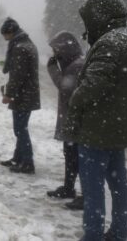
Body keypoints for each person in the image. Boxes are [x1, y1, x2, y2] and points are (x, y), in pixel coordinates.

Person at [63, 0, 127, 241]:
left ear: (99, 16)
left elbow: (92, 86)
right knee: (119, 184)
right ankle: (119, 233)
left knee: (93, 187)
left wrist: (75, 99)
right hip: (117, 128)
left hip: (97, 130)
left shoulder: (110, 42)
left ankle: (93, 235)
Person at [45, 31, 84, 210]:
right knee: (70, 156)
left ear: (65, 50)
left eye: (56, 51)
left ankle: (85, 195)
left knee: (78, 158)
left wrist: (52, 69)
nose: (54, 55)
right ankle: (69, 188)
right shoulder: (72, 64)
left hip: (75, 122)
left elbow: (65, 88)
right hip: (70, 120)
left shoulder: (76, 66)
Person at [0, 18, 40, 174]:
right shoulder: (27, 44)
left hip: (23, 94)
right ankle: (18, 158)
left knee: (20, 129)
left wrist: (9, 94)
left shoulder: (20, 48)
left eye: (5, 34)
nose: (4, 38)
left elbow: (18, 75)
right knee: (21, 127)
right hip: (27, 93)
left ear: (10, 32)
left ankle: (28, 163)